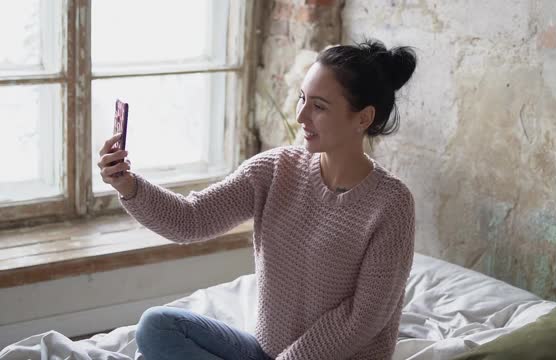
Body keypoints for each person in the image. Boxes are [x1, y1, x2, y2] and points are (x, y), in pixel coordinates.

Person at [97, 38, 417, 360]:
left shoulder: (391, 204)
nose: (301, 116)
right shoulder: (277, 169)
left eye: (319, 106)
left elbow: (363, 318)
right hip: (267, 353)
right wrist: (128, 185)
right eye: (302, 99)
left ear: (363, 118)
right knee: (157, 327)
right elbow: (191, 220)